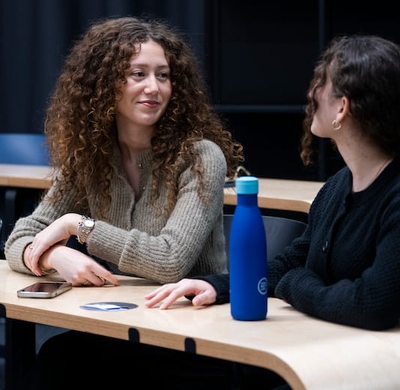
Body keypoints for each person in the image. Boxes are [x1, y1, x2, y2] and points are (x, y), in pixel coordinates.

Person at [143, 34, 400, 387]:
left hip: (373, 368)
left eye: (320, 84)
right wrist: (217, 286)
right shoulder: (338, 186)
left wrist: (295, 286)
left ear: (341, 108)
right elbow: (292, 262)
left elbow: (371, 303)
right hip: (335, 350)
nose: (311, 95)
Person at [3, 15, 245, 389]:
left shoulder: (200, 157)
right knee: (56, 361)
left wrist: (75, 227)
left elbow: (169, 262)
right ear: (105, 84)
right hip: (121, 331)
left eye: (163, 75)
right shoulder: (91, 157)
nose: (154, 87)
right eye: (138, 74)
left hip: (191, 343)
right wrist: (54, 256)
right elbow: (19, 239)